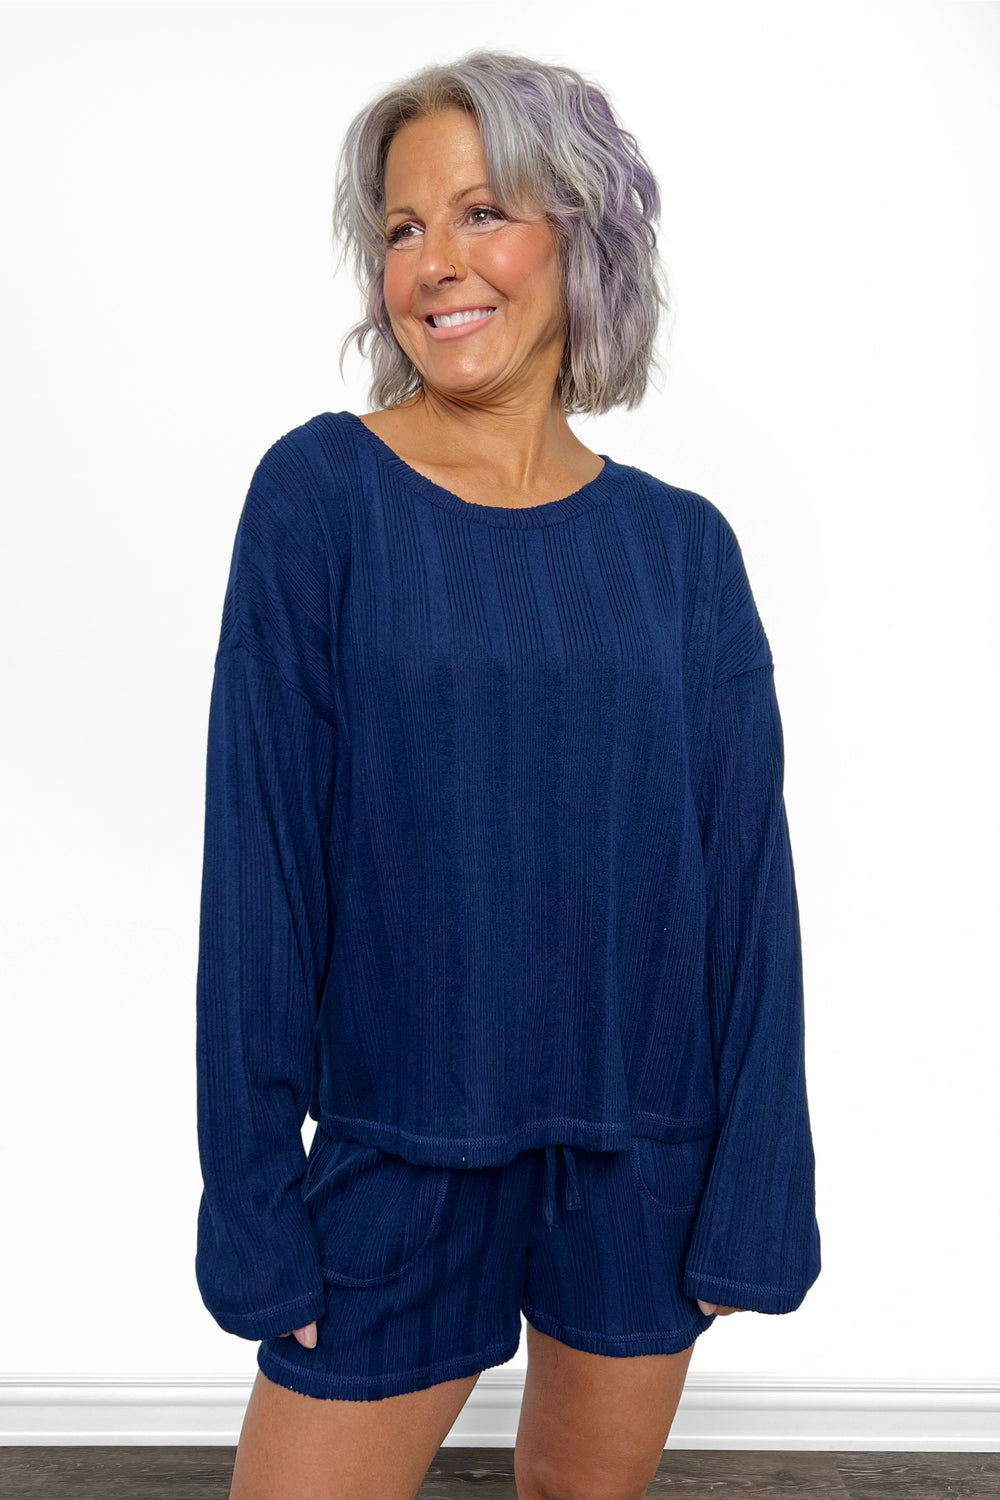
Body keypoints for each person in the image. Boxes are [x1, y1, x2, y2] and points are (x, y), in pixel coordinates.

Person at [194, 48, 821, 1500]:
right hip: (399, 1150)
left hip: (641, 1157)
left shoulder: (682, 551)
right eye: (403, 229)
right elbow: (260, 874)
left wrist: (756, 1190)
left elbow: (747, 894)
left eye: (483, 213)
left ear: (581, 237)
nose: (435, 264)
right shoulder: (321, 500)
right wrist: (255, 1205)